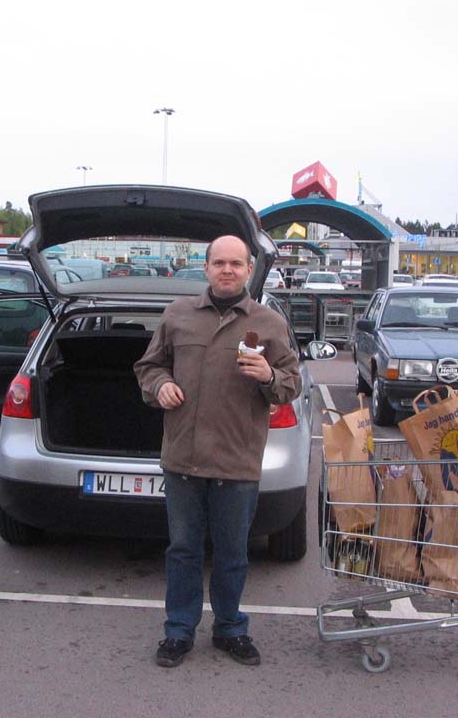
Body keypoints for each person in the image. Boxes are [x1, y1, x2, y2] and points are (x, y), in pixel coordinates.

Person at [134, 235, 301, 669]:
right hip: (183, 458)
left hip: (237, 459)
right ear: (206, 267)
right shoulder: (178, 315)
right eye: (220, 263)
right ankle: (179, 631)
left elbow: (291, 384)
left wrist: (269, 376)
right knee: (183, 550)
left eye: (236, 263)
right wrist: (160, 385)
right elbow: (148, 366)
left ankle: (230, 628)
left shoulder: (268, 323)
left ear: (249, 270)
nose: (227, 270)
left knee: (232, 554)